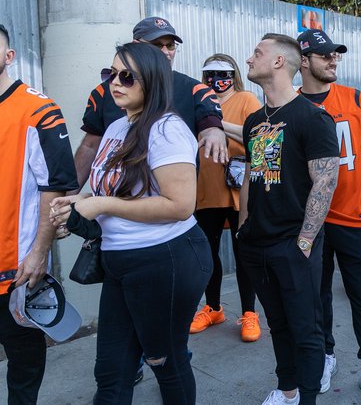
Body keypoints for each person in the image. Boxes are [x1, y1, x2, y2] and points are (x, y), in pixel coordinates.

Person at [50, 43, 211, 404]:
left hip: (165, 261)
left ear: (151, 81)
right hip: (120, 262)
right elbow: (104, 189)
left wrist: (102, 204)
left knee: (165, 362)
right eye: (110, 74)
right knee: (111, 371)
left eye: (126, 76)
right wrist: (74, 206)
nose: (115, 82)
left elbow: (180, 205)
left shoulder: (167, 130)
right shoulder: (117, 127)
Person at [237, 33, 340, 405]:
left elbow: (325, 182)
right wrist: (242, 228)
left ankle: (308, 398)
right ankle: (288, 390)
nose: (249, 60)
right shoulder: (253, 121)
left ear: (279, 62)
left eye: (257, 53)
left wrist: (305, 241)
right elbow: (252, 174)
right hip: (256, 243)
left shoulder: (313, 118)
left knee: (306, 329)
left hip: (294, 245)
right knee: (277, 324)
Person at [295, 28, 361, 404]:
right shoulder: (291, 103)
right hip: (312, 223)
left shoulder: (353, 98)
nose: (334, 60)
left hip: (354, 215)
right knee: (317, 296)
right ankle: (325, 356)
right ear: (304, 61)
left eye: (336, 54)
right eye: (324, 55)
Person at [0, 23, 78, 404]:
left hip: (15, 272)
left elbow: (56, 185)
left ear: (9, 56)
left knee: (23, 368)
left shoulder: (38, 109)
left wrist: (39, 251)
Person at [72, 17, 227, 193]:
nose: (166, 52)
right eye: (156, 44)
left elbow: (210, 124)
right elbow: (90, 145)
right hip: (112, 201)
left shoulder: (194, 89)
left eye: (170, 45)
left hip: (165, 203)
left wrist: (215, 131)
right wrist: (69, 195)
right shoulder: (106, 91)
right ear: (136, 45)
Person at [189, 55, 262, 342]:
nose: (216, 79)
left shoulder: (246, 99)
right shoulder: (200, 102)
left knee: (244, 253)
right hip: (205, 190)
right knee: (207, 253)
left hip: (238, 189)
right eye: (210, 73)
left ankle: (249, 313)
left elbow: (258, 137)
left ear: (233, 74)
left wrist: (216, 126)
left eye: (223, 73)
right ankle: (213, 307)